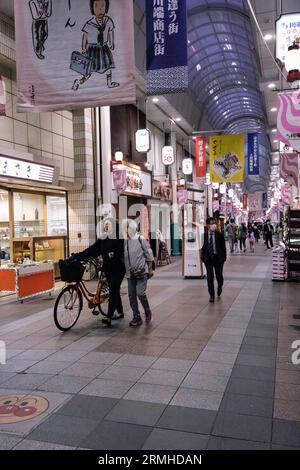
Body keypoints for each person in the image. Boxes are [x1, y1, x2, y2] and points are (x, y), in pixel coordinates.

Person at [72, 218, 125, 327]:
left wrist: (113, 254)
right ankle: (120, 312)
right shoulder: (103, 239)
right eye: (105, 224)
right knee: (113, 290)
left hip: (118, 269)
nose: (106, 226)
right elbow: (92, 250)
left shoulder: (119, 237)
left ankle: (109, 316)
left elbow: (121, 252)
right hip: (108, 269)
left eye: (108, 224)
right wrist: (77, 256)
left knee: (113, 290)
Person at [72, 0, 119, 91]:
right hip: (92, 49)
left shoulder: (108, 21)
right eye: (96, 6)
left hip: (104, 48)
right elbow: (85, 36)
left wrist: (111, 42)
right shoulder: (89, 23)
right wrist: (83, 47)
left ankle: (109, 83)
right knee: (89, 70)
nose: (100, 9)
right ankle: (78, 82)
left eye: (102, 6)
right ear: (92, 9)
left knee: (108, 66)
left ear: (106, 8)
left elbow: (111, 31)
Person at [123, 219, 154, 327]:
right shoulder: (125, 241)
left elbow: (149, 254)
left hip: (142, 272)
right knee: (132, 296)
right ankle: (137, 316)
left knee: (140, 293)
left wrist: (150, 269)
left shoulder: (141, 239)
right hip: (130, 274)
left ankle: (147, 310)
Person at [201, 217, 227, 303]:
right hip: (208, 259)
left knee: (219, 276)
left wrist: (223, 258)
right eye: (212, 223)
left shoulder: (219, 234)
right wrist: (203, 257)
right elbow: (203, 247)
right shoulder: (204, 236)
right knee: (210, 277)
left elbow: (223, 248)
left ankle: (219, 286)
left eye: (214, 223)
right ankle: (211, 295)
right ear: (208, 225)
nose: (214, 225)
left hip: (218, 259)